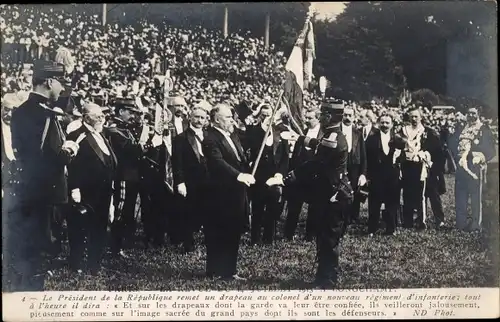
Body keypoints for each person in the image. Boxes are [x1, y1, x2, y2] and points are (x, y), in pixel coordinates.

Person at [7, 60, 80, 291]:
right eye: (60, 83)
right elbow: (51, 159)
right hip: (47, 192)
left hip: (28, 189)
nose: (61, 89)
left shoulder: (21, 112)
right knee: (40, 250)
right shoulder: (45, 115)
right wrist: (69, 150)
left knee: (27, 249)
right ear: (49, 82)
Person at [275, 99, 353, 289]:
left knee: (328, 239)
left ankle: (328, 280)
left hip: (333, 195)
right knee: (324, 236)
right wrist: (301, 138)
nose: (320, 117)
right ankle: (323, 277)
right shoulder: (333, 135)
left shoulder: (334, 137)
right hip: (329, 194)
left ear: (330, 116)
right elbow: (318, 143)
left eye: (323, 114)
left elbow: (316, 162)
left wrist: (291, 176)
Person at [202, 103, 253, 280]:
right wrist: (239, 175)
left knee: (233, 230)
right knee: (219, 231)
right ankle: (214, 270)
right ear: (217, 120)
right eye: (227, 118)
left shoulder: (233, 135)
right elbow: (218, 162)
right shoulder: (210, 138)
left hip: (236, 192)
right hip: (220, 193)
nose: (232, 120)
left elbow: (240, 157)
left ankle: (230, 270)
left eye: (232, 117)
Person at [66, 103, 117, 275]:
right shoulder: (77, 135)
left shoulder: (102, 135)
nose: (102, 119)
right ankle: (76, 262)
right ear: (87, 118)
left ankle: (94, 263)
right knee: (80, 227)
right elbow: (71, 164)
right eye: (98, 116)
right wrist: (74, 188)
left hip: (103, 190)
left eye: (102, 116)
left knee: (100, 226)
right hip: (86, 190)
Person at [245, 104, 289, 245]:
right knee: (257, 207)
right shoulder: (255, 131)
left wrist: (280, 174)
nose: (266, 117)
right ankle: (255, 238)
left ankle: (268, 238)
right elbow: (252, 148)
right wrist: (263, 128)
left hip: (274, 176)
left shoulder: (281, 131)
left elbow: (285, 157)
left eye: (269, 114)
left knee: (273, 208)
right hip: (259, 174)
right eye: (263, 115)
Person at [395, 107, 444, 229]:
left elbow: (438, 151)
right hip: (408, 165)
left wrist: (430, 159)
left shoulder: (428, 132)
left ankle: (434, 220)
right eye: (412, 116)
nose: (414, 119)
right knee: (408, 193)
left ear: (421, 117)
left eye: (416, 116)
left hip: (424, 167)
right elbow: (397, 145)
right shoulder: (404, 131)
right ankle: (408, 221)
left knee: (428, 193)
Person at [450, 107, 495, 232]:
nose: (470, 115)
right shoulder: (461, 128)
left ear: (478, 114)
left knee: (476, 196)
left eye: (473, 113)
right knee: (460, 195)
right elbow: (452, 143)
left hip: (475, 166)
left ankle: (476, 224)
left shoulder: (484, 129)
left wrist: (480, 156)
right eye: (469, 113)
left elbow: (491, 149)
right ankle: (460, 224)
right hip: (461, 165)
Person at [172, 107, 210, 253]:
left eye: (202, 117)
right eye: (196, 117)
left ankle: (208, 240)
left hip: (209, 179)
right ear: (190, 117)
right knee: (188, 211)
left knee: (208, 210)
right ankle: (188, 243)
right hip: (191, 180)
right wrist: (180, 181)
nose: (199, 120)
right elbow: (177, 162)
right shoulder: (181, 138)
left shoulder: (209, 135)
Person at [284, 108, 323, 241]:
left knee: (314, 207)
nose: (306, 120)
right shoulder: (303, 131)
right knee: (294, 205)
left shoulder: (323, 134)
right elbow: (296, 153)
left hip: (315, 176)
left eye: (310, 118)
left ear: (318, 119)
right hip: (300, 175)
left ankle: (310, 235)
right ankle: (288, 234)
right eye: (306, 117)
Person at [365, 113, 401, 236]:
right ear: (379, 123)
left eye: (387, 123)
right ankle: (372, 229)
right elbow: (367, 159)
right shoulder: (371, 139)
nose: (385, 125)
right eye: (383, 122)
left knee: (392, 202)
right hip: (376, 176)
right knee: (374, 203)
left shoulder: (397, 139)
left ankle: (391, 228)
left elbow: (403, 158)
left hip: (392, 176)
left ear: (392, 124)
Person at [341, 106, 367, 223]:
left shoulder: (358, 133)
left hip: (354, 166)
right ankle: (341, 214)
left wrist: (363, 173)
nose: (347, 118)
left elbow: (363, 155)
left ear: (354, 117)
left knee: (355, 189)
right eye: (345, 115)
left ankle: (353, 216)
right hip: (341, 164)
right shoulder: (337, 131)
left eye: (350, 115)